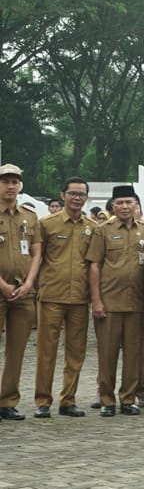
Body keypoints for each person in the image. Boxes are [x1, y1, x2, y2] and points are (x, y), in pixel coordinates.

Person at [86, 185, 144, 416]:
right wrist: (96, 301)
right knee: (107, 354)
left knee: (135, 355)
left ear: (136, 205)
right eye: (120, 203)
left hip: (138, 303)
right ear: (113, 206)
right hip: (109, 303)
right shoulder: (102, 230)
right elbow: (94, 265)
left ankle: (128, 399)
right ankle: (107, 400)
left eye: (129, 202)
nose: (125, 207)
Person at [33, 177, 96, 418]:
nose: (77, 198)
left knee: (76, 353)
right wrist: (39, 286)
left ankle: (68, 400)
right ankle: (42, 400)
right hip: (51, 297)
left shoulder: (92, 228)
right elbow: (37, 259)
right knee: (46, 352)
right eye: (72, 193)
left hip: (80, 299)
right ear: (63, 195)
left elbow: (93, 264)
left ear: (86, 197)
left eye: (81, 194)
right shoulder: (47, 224)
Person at [0, 164, 42, 421]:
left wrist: (28, 284)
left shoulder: (29, 216)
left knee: (16, 350)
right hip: (1, 288)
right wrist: (3, 286)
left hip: (23, 292)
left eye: (15, 181)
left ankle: (7, 401)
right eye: (5, 181)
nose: (10, 186)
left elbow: (37, 253)